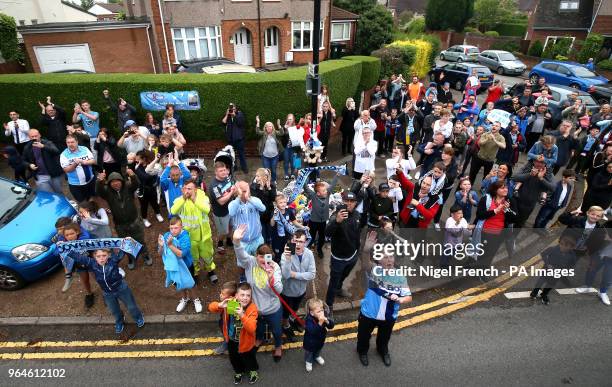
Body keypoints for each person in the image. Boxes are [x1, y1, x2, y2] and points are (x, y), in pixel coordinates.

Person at [357, 234, 412, 367]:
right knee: (363, 336)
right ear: (379, 260)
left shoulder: (400, 277)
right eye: (385, 257)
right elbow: (365, 264)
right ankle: (362, 351)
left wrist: (400, 299)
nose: (389, 260)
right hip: (369, 313)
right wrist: (365, 250)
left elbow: (409, 297)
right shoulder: (375, 270)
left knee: (384, 338)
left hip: (388, 316)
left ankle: (382, 350)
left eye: (391, 257)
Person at [233, 224, 284, 362]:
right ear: (256, 256)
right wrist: (237, 241)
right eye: (260, 257)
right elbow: (241, 254)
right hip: (256, 309)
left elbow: (279, 291)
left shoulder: (275, 267)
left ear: (271, 257)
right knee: (259, 328)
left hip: (273, 309)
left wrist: (271, 277)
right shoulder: (250, 263)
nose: (263, 260)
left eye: (267, 257)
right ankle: (259, 340)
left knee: (277, 331)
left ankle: (278, 346)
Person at [64, 248, 144, 334]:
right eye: (98, 256)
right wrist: (65, 248)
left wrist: (125, 242)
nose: (101, 258)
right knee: (114, 310)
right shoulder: (92, 263)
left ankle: (138, 317)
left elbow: (122, 252)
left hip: (121, 288)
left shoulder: (113, 260)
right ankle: (119, 321)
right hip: (107, 293)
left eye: (104, 256)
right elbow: (79, 257)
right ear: (94, 257)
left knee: (131, 306)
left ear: (108, 256)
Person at [96, 170, 152, 270]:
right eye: (112, 182)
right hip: (120, 224)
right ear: (109, 183)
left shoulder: (128, 188)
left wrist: (133, 175)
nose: (116, 183)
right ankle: (131, 258)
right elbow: (99, 191)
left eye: (118, 181)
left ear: (122, 181)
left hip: (134, 221)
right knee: (126, 243)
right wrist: (99, 181)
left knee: (140, 240)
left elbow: (136, 184)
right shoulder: (107, 192)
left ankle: (145, 255)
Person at [208, 282, 259, 384]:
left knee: (249, 358)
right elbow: (210, 307)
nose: (245, 298)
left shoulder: (252, 308)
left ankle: (253, 371)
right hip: (232, 340)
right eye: (242, 295)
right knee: (234, 358)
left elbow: (252, 328)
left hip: (246, 342)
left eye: (248, 295)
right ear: (236, 295)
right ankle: (238, 372)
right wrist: (219, 305)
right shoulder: (231, 303)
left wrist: (242, 315)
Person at [171, 179, 217, 284]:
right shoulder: (180, 200)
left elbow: (207, 209)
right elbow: (173, 211)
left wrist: (194, 199)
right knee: (193, 257)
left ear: (195, 189)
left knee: (207, 255)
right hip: (189, 237)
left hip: (203, 236)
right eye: (186, 188)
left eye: (190, 189)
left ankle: (210, 270)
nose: (187, 191)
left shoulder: (203, 197)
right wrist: (184, 198)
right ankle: (195, 272)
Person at [474, 181, 518, 281]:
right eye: (502, 188)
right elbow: (480, 215)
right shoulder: (486, 198)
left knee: (490, 253)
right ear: (495, 190)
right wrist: (495, 211)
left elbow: (515, 218)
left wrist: (507, 210)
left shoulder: (510, 201)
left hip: (499, 234)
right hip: (484, 232)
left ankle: (482, 271)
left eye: (506, 187)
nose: (505, 189)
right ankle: (476, 268)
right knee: (481, 252)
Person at [325, 191, 360, 308]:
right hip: (338, 258)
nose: (349, 204)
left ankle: (339, 290)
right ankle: (329, 305)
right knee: (333, 282)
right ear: (342, 201)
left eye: (352, 201)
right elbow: (327, 233)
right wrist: (337, 222)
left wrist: (357, 250)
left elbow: (357, 233)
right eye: (346, 201)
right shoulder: (335, 215)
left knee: (344, 276)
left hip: (353, 255)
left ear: (355, 203)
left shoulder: (356, 215)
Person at [158, 217, 202, 313]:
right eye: (171, 228)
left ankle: (196, 299)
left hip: (187, 266)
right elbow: (160, 253)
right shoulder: (166, 236)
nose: (173, 231)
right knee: (179, 284)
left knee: (191, 284)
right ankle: (184, 298)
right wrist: (161, 246)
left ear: (181, 227)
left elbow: (181, 254)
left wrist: (170, 245)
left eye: (176, 228)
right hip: (174, 267)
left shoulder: (185, 237)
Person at [280, 230, 316, 340]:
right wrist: (288, 259)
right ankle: (286, 325)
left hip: (301, 291)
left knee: (295, 308)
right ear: (291, 241)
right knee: (285, 312)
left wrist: (294, 274)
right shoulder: (285, 255)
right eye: (295, 241)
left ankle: (292, 320)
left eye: (301, 241)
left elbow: (312, 274)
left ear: (305, 243)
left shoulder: (309, 254)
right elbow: (286, 275)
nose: (298, 244)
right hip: (288, 292)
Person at [530, 232, 579, 305]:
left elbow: (572, 264)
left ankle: (544, 295)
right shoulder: (553, 249)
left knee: (550, 285)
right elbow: (543, 254)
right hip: (547, 270)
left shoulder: (572, 256)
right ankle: (534, 293)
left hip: (557, 273)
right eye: (561, 244)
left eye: (566, 245)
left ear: (572, 247)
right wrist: (547, 264)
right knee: (540, 281)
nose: (562, 246)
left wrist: (564, 270)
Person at [54, 222, 95, 307]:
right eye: (67, 235)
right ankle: (89, 294)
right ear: (64, 236)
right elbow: (56, 253)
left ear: (77, 232)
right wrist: (59, 246)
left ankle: (106, 293)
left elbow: (93, 242)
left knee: (98, 277)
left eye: (72, 234)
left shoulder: (84, 238)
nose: (70, 236)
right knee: (85, 280)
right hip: (79, 266)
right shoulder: (63, 242)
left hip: (91, 262)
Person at [303, 172, 340, 259]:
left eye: (326, 190)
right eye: (323, 191)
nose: (326, 191)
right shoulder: (313, 196)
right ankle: (307, 248)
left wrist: (337, 175)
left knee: (322, 237)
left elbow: (332, 185)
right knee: (311, 236)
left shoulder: (327, 195)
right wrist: (301, 177)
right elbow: (305, 188)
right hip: (313, 221)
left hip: (323, 221)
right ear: (318, 193)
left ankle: (319, 249)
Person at [229, 181, 266, 254]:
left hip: (257, 240)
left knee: (259, 263)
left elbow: (263, 208)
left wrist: (248, 199)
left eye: (248, 190)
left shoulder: (255, 200)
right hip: (243, 243)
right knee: (245, 264)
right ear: (238, 192)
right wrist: (239, 197)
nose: (247, 193)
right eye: (244, 191)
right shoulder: (233, 203)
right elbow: (231, 212)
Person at [22, 129, 64, 194]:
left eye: (36, 136)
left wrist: (43, 146)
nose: (34, 138)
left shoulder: (47, 143)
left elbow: (56, 151)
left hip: (53, 174)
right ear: (29, 137)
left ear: (39, 135)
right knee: (49, 195)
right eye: (32, 137)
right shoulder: (27, 147)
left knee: (58, 192)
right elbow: (23, 160)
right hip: (40, 176)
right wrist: (29, 165)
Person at [208, 161, 236, 255]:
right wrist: (231, 192)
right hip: (221, 213)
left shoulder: (227, 178)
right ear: (216, 172)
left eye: (224, 170)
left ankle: (228, 239)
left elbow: (233, 185)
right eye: (221, 171)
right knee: (223, 231)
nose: (224, 172)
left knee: (231, 226)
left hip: (231, 209)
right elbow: (221, 202)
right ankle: (220, 243)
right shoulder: (214, 186)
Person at [60, 134, 96, 202]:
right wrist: (75, 164)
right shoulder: (63, 155)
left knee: (92, 199)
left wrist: (84, 162)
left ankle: (95, 210)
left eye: (72, 142)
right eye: (68, 142)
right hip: (76, 185)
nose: (70, 144)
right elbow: (66, 170)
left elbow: (93, 161)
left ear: (77, 142)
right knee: (82, 203)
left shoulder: (84, 149)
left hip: (90, 181)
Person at [303, 298, 334, 373]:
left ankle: (317, 356)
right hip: (310, 343)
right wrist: (320, 323)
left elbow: (331, 326)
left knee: (318, 349)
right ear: (312, 313)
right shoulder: (308, 320)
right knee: (309, 353)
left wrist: (327, 321)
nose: (321, 313)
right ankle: (308, 362)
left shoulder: (324, 316)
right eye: (318, 311)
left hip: (320, 340)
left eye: (322, 310)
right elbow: (312, 331)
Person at [133, 150, 163, 227]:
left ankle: (158, 214)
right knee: (144, 205)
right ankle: (144, 219)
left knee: (154, 203)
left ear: (144, 159)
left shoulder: (151, 165)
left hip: (152, 189)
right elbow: (144, 177)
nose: (137, 160)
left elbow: (156, 176)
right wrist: (151, 175)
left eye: (138, 159)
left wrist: (153, 176)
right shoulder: (137, 167)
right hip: (142, 190)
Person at [250, 168, 277, 245]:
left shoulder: (271, 185)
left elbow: (273, 198)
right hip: (259, 215)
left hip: (269, 213)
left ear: (265, 177)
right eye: (256, 176)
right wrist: (261, 189)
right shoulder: (253, 186)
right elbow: (256, 201)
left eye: (258, 176)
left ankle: (269, 242)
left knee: (269, 230)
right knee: (262, 232)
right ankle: (264, 245)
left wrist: (269, 188)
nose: (256, 178)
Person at [255, 117, 283, 183]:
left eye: (270, 126)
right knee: (266, 170)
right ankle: (267, 181)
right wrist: (258, 122)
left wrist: (279, 125)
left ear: (272, 127)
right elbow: (257, 131)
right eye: (267, 126)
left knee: (273, 170)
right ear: (265, 128)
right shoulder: (264, 134)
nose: (269, 128)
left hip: (275, 156)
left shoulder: (275, 133)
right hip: (265, 156)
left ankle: (274, 180)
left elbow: (282, 133)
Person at [223, 103, 248, 174]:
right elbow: (223, 122)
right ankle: (234, 167)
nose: (232, 110)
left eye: (233, 109)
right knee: (231, 155)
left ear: (236, 109)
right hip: (230, 139)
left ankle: (244, 168)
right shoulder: (228, 115)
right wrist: (227, 114)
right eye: (231, 109)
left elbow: (241, 123)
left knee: (241, 154)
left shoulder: (240, 114)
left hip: (239, 139)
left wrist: (235, 116)